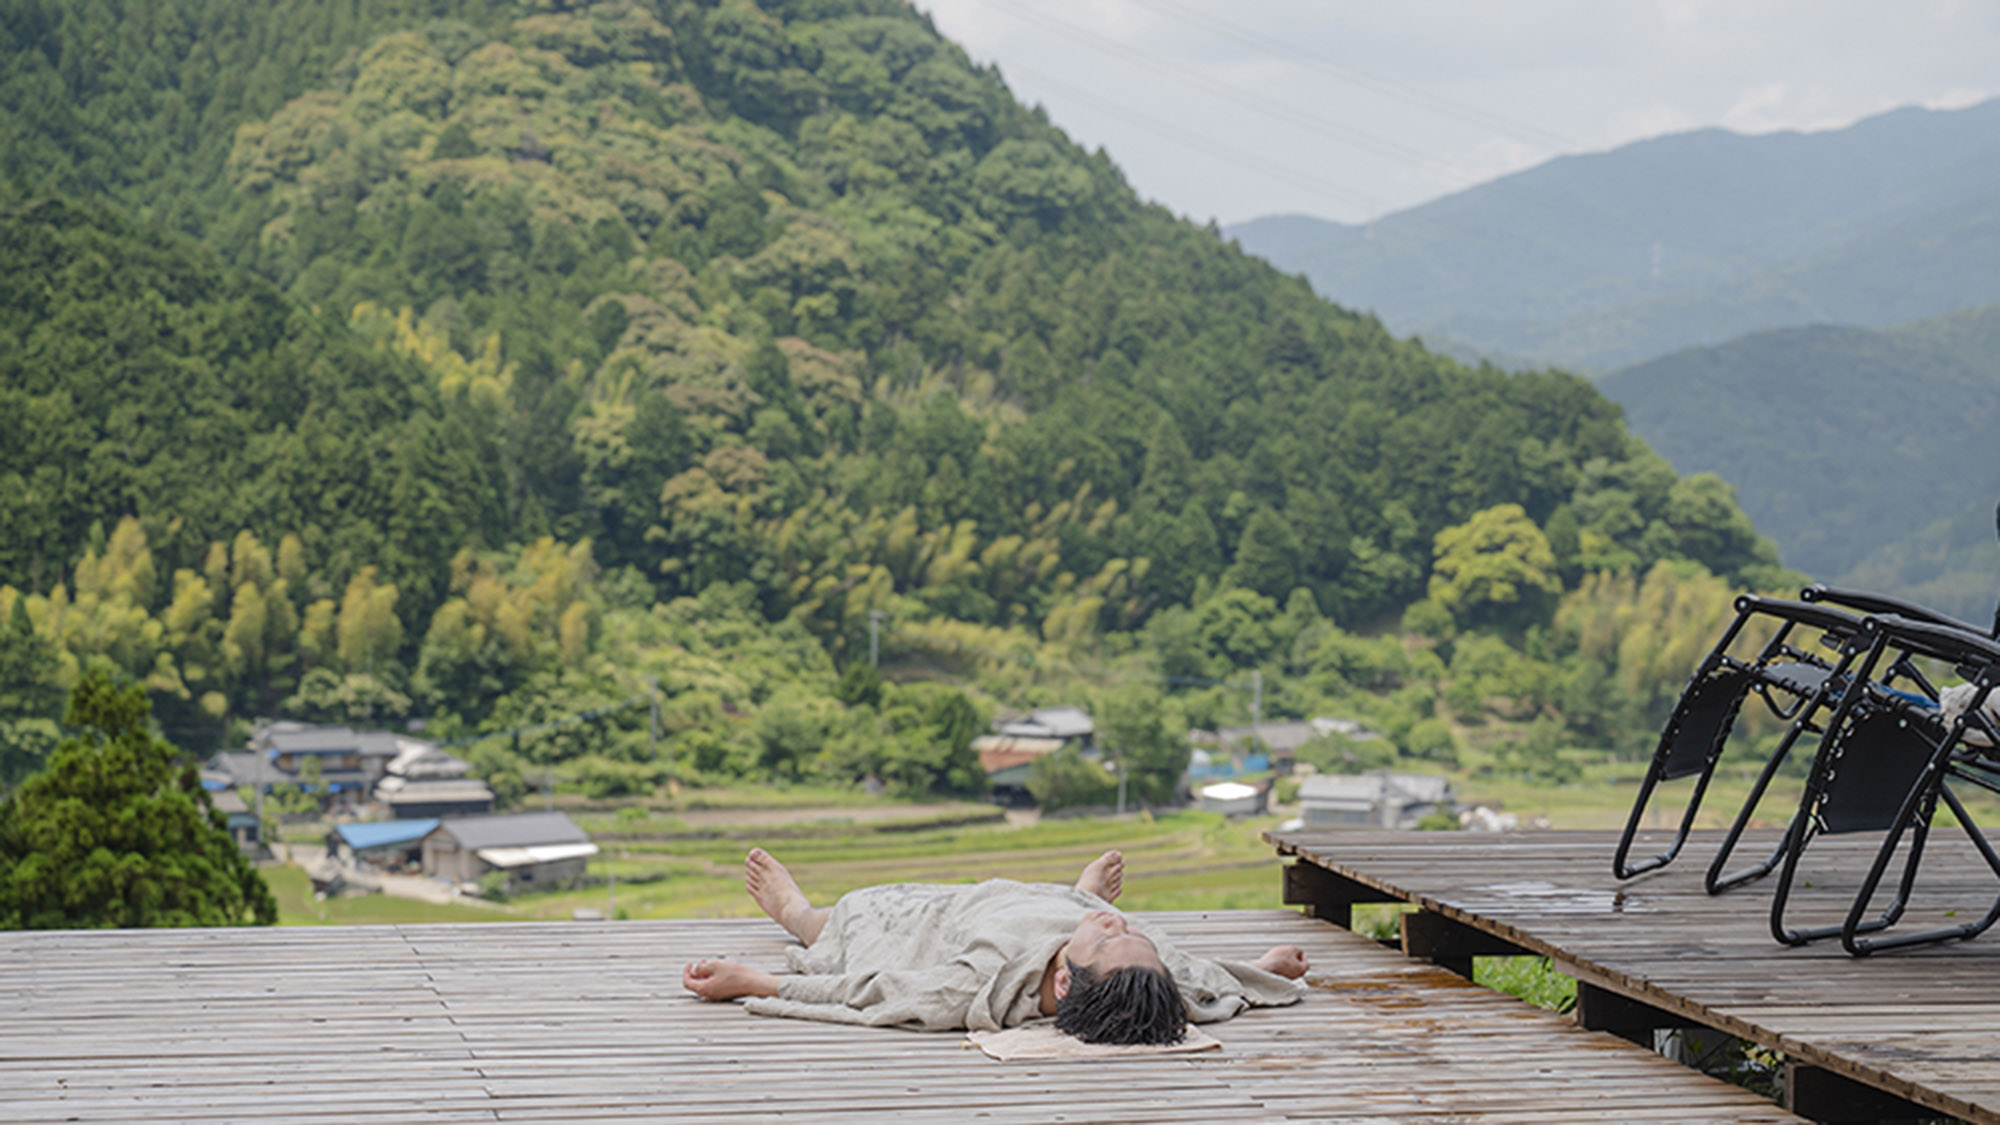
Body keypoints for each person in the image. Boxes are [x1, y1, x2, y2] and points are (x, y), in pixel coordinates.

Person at [682, 848, 1309, 1045]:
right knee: (1134, 940)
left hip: (941, 920)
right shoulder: (1144, 977)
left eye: (1113, 933)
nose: (1127, 928)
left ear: (1064, 983)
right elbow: (1197, 988)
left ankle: (795, 911)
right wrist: (1254, 975)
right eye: (1123, 925)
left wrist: (758, 982)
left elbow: (870, 992)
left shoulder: (973, 981)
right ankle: (1080, 894)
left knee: (847, 923)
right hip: (1042, 903)